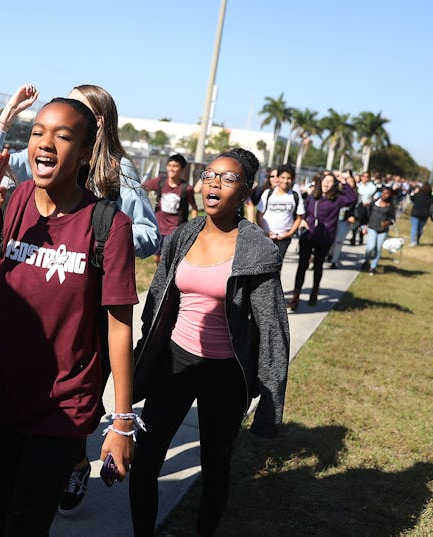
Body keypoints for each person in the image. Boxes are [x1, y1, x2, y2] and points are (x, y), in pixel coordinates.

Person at [0, 97, 139, 535]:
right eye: (38, 132)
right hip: (2, 398)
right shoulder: (12, 202)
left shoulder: (109, 226)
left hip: (64, 407)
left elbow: (120, 330)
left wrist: (122, 423)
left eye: (63, 136)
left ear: (85, 153)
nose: (45, 144)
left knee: (27, 526)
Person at [129, 148, 289, 537]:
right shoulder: (183, 234)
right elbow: (157, 299)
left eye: (228, 178)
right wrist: (144, 353)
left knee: (215, 464)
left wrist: (270, 403)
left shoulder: (257, 250)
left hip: (225, 374)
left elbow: (272, 329)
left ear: (247, 192)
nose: (214, 183)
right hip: (175, 363)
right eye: (209, 174)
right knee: (146, 460)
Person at [0, 83, 159, 261]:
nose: (65, 110)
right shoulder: (44, 153)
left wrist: (100, 241)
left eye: (76, 105)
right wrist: (7, 115)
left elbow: (149, 234)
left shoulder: (118, 167)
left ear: (98, 122)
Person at [288, 172, 357, 310]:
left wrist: (343, 181)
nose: (327, 184)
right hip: (308, 235)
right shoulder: (312, 196)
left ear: (334, 185)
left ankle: (314, 291)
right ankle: (296, 296)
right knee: (302, 265)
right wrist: (302, 221)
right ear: (321, 182)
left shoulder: (338, 199)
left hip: (325, 238)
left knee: (318, 265)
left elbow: (352, 198)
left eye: (331, 182)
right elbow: (303, 211)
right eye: (325, 181)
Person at [143, 154, 199, 264]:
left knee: (166, 257)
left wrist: (192, 225)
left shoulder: (186, 188)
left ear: (182, 169)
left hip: (175, 229)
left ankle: (166, 277)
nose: (171, 169)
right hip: (158, 226)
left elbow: (194, 208)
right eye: (169, 165)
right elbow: (142, 187)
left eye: (175, 166)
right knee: (157, 257)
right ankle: (161, 274)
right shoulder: (160, 181)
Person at [255, 163, 304, 261]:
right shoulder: (268, 193)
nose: (285, 181)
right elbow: (259, 214)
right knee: (264, 264)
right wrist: (265, 232)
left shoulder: (295, 196)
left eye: (289, 178)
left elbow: (299, 218)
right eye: (283, 177)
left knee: (277, 265)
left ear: (293, 179)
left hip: (284, 238)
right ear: (278, 178)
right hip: (267, 237)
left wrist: (289, 233)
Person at [360, 186, 396, 275]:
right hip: (372, 227)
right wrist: (364, 226)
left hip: (383, 230)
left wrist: (387, 222)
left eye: (387, 193)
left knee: (378, 248)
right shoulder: (374, 202)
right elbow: (367, 213)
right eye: (383, 193)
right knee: (371, 247)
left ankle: (373, 267)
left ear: (390, 195)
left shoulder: (391, 206)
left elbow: (393, 219)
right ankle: (367, 260)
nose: (384, 195)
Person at [330, 173, 360, 268]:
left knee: (339, 241)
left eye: (350, 182)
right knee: (331, 240)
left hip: (345, 221)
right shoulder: (337, 193)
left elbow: (354, 202)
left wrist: (353, 216)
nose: (348, 183)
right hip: (333, 220)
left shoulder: (354, 196)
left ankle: (334, 261)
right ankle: (330, 253)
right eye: (347, 182)